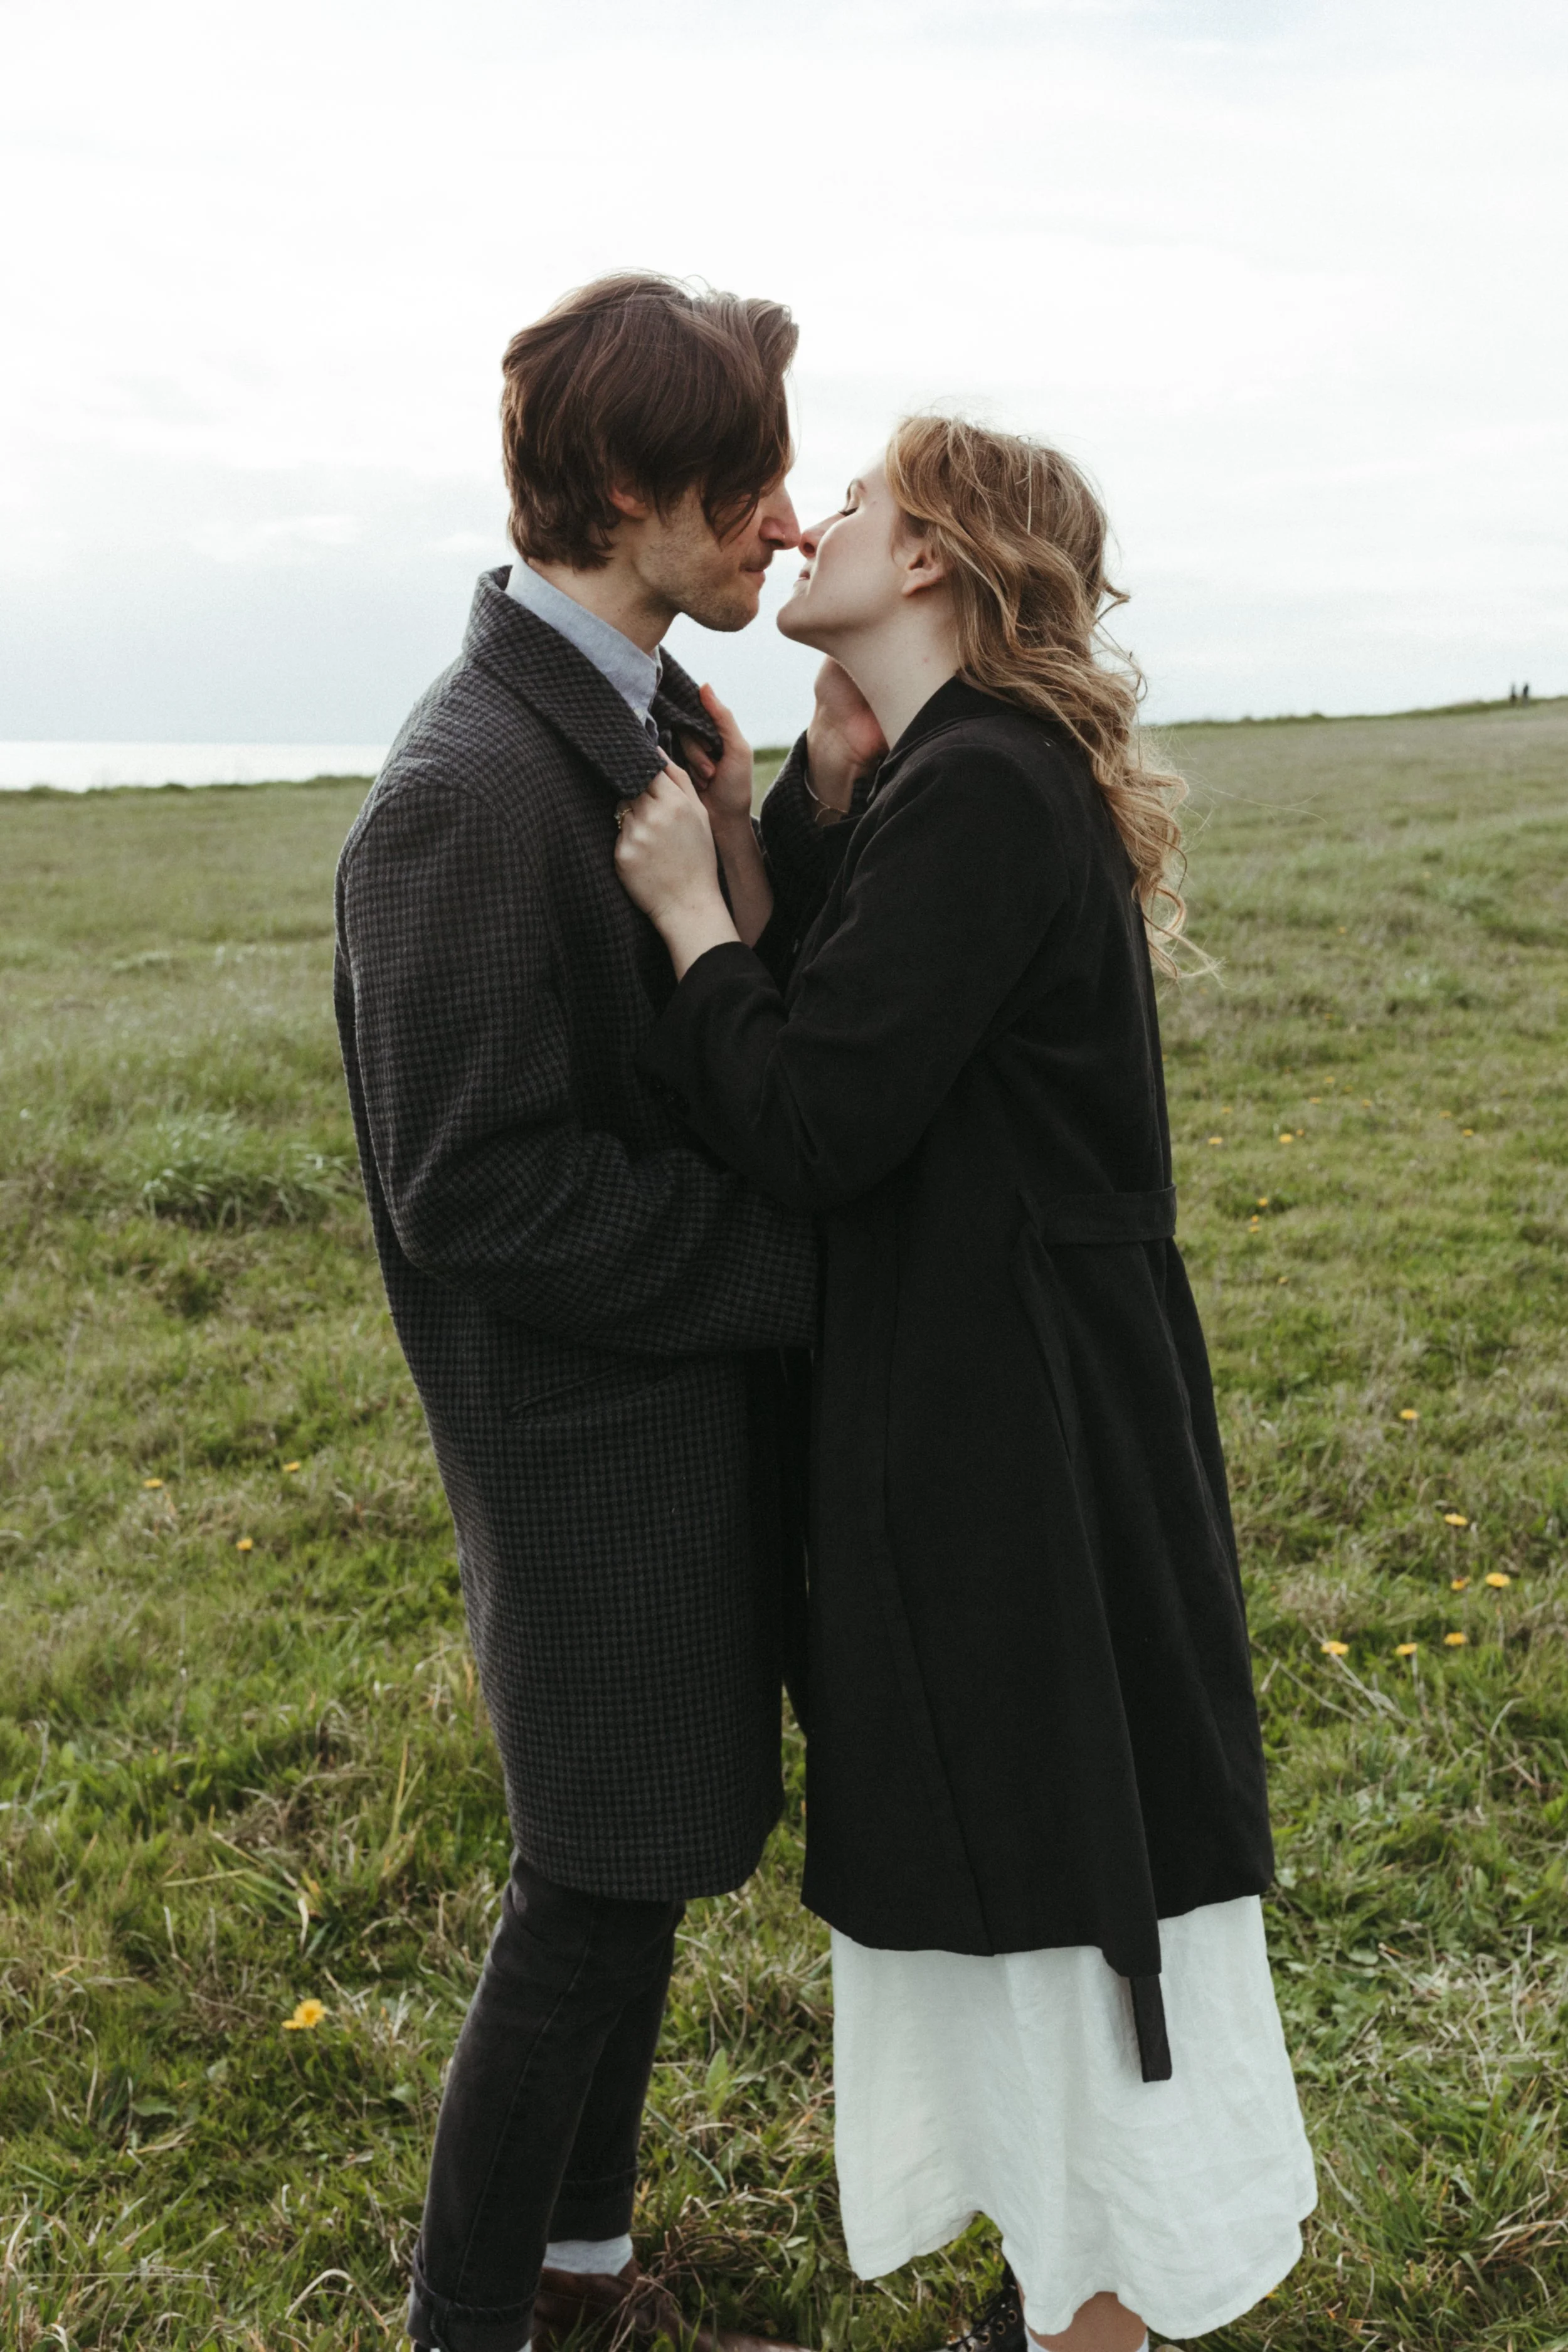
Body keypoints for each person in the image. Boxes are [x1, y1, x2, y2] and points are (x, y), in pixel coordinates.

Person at [615, 417, 1317, 2352]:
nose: (810, 519)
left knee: (1066, 1851)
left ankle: (1098, 2309)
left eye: (853, 499)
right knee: (1029, 1845)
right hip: (1004, 1412)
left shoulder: (991, 790)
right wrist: (794, 825)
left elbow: (822, 1113)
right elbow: (874, 1031)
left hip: (1022, 1440)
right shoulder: (957, 781)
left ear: (928, 561)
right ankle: (1066, 2297)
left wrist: (692, 911)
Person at [334, 272, 822, 2352]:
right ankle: (470, 2321)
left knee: (640, 1882)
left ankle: (587, 2274)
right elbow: (473, 1185)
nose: (784, 525)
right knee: (590, 1895)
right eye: (747, 483)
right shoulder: (462, 789)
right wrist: (792, 1264)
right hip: (584, 1449)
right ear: (626, 488)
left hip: (672, 1428)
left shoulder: (638, 726)